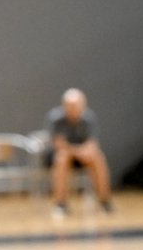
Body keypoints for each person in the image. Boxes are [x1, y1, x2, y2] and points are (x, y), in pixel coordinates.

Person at [48, 88, 115, 217]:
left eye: (76, 106)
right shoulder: (56, 119)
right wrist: (77, 151)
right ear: (64, 106)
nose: (73, 109)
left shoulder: (88, 119)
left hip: (82, 156)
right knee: (61, 159)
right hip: (63, 155)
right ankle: (61, 204)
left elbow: (92, 144)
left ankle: (104, 201)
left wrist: (82, 152)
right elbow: (59, 145)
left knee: (98, 157)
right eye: (70, 106)